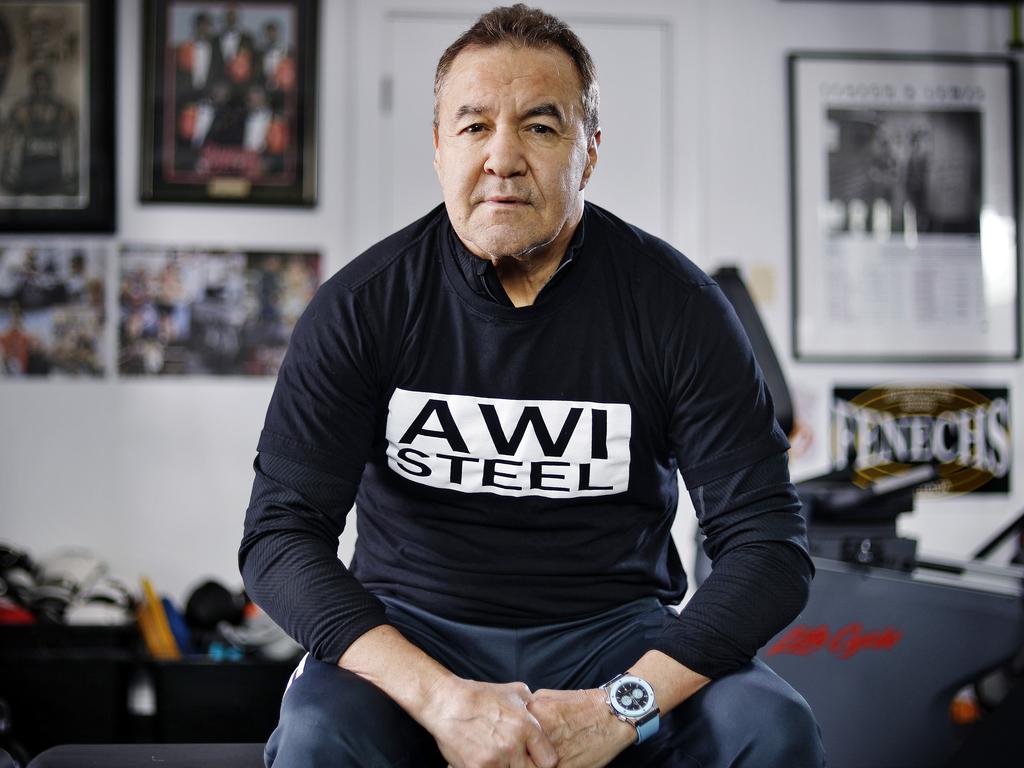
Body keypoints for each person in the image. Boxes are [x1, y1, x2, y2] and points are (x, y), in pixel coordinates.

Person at [239, 5, 824, 767]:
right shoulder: (364, 306)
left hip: (614, 638)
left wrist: (624, 707)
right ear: (439, 147)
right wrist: (440, 698)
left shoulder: (675, 307)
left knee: (771, 726)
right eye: (475, 126)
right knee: (319, 737)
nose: (503, 158)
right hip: (415, 636)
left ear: (589, 154)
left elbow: (769, 544)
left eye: (541, 128)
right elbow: (280, 537)